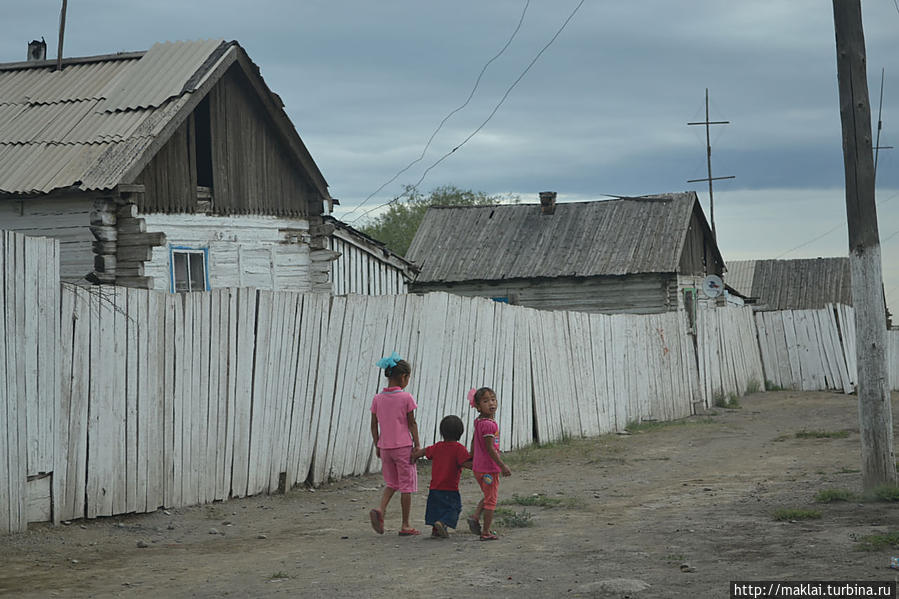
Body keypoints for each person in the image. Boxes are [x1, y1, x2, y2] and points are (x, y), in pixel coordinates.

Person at [369, 352, 421, 536]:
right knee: (406, 486)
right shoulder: (406, 398)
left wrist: (377, 445)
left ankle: (380, 510)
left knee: (391, 483)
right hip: (403, 447)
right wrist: (417, 445)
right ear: (404, 377)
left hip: (385, 448)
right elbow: (412, 423)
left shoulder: (378, 399)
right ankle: (406, 524)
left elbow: (374, 425)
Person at [410, 415, 472, 538]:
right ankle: (442, 523)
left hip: (435, 487)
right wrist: (479, 465)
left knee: (436, 509)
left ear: (442, 432)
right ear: (460, 433)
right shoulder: (459, 449)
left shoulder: (437, 446)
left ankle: (436, 530)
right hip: (450, 489)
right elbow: (466, 463)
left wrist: (415, 456)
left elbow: (425, 451)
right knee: (454, 508)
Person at [467, 387, 511, 541]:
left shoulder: (479, 422)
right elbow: (490, 448)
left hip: (479, 468)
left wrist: (471, 457)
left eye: (493, 399)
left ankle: (475, 516)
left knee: (488, 494)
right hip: (489, 469)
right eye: (486, 401)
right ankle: (485, 532)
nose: (491, 403)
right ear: (478, 406)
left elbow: (474, 441)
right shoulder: (489, 425)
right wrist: (502, 465)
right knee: (491, 500)